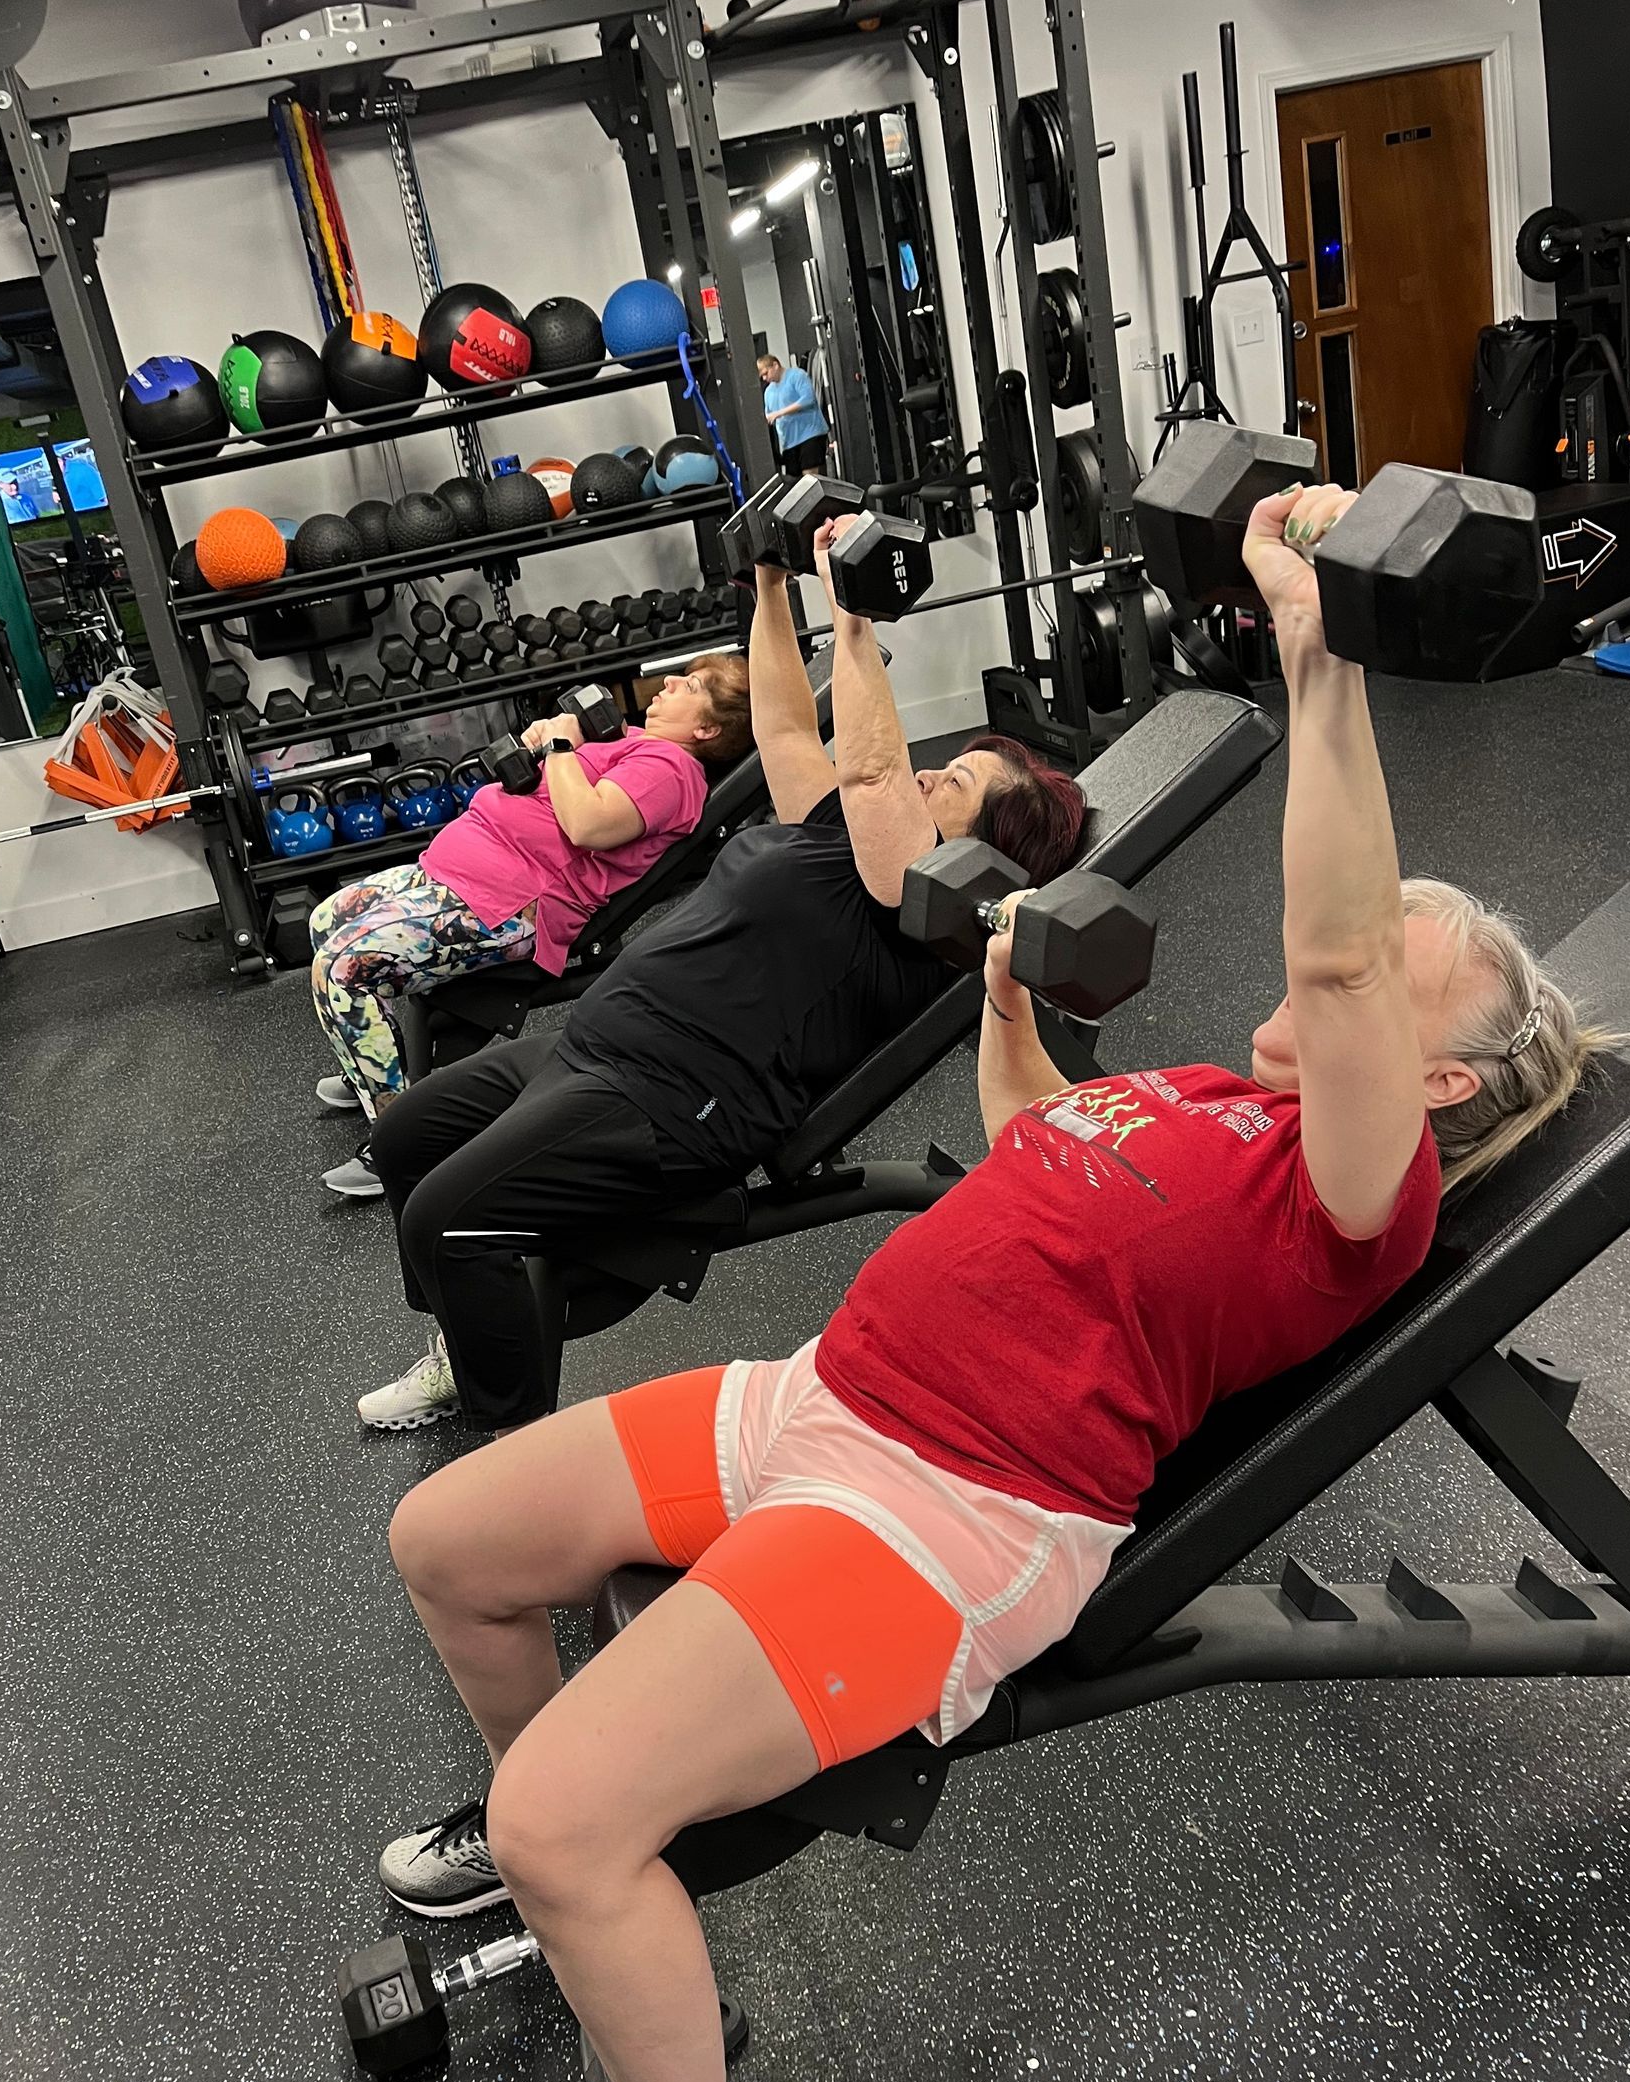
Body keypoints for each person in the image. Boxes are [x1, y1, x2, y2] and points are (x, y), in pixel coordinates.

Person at [373, 479, 1618, 2082]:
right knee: (451, 1542)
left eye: (1395, 962)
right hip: (826, 1398)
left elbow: (1349, 953)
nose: (1347, 963)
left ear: (1435, 1073)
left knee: (553, 1823)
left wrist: (1320, 652)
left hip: (953, 1509)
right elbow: (1045, 1127)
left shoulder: (1357, 1189)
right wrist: (1006, 999)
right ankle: (603, 1857)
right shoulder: (1214, 1091)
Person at [354, 528, 1086, 1427]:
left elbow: (872, 766)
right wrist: (771, 586)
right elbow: (782, 725)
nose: (929, 773)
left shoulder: (919, 914)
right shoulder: (839, 839)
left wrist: (853, 622)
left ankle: (508, 1447)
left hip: (674, 1101)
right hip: (599, 1043)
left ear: (983, 853)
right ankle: (470, 1345)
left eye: (957, 783)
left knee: (447, 1224)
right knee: (404, 1143)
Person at [310, 659, 751, 1197]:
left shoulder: (671, 769)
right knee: (324, 920)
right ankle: (375, 1068)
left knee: (341, 970)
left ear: (707, 729)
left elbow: (588, 824)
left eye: (693, 685)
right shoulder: (629, 739)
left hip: (507, 903)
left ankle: (399, 1140)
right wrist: (548, 742)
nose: (669, 683)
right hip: (460, 871)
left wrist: (561, 749)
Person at [757, 349, 830, 475]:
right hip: (789, 442)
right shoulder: (768, 392)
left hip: (810, 434)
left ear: (775, 365)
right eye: (762, 376)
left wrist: (779, 413)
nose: (765, 378)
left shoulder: (797, 375)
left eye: (766, 373)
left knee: (810, 479)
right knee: (794, 484)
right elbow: (769, 416)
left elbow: (808, 399)